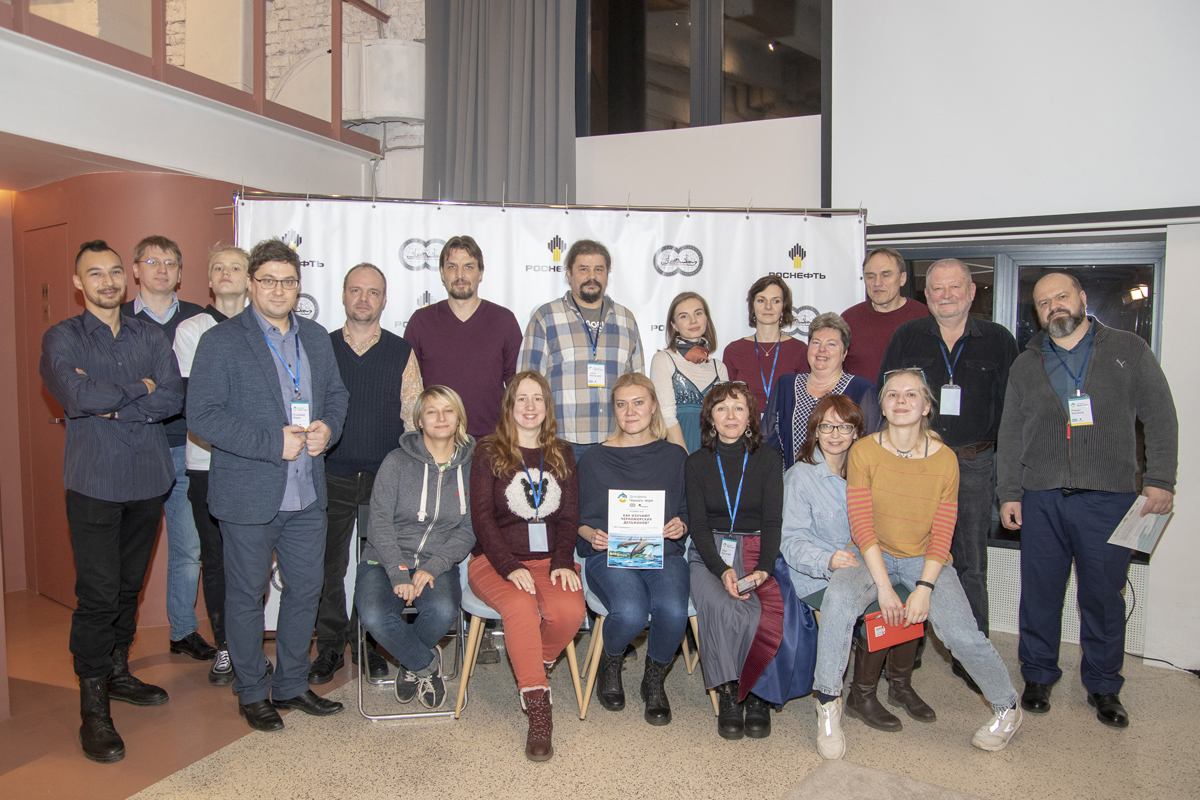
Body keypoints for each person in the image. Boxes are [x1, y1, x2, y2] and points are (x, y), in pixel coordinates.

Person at [997, 272, 1178, 729]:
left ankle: (1103, 684)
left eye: (1061, 297)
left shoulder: (1128, 349)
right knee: (1039, 593)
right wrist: (1009, 493)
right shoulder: (1027, 363)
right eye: (1043, 303)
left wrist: (1159, 479)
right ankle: (1038, 675)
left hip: (1107, 498)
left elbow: (1160, 416)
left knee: (1102, 597)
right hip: (1041, 497)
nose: (1053, 306)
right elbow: (1010, 434)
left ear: (1081, 298)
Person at [811, 369, 1021, 759]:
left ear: (926, 406)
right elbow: (862, 525)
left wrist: (923, 589)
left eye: (911, 394)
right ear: (883, 407)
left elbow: (943, 530)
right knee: (838, 601)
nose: (901, 400)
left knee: (961, 634)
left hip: (925, 559)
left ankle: (1007, 707)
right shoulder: (864, 451)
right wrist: (884, 588)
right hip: (871, 553)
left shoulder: (945, 460)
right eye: (893, 394)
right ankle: (827, 703)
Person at [187, 238, 349, 732]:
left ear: (299, 286)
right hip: (249, 494)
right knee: (246, 596)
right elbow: (202, 416)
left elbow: (337, 395)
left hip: (307, 494)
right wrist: (270, 442)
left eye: (288, 281)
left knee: (306, 591)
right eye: (268, 280)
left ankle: (292, 683)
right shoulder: (221, 341)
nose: (279, 290)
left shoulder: (316, 337)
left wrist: (327, 428)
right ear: (251, 284)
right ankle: (253, 690)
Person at [40, 240, 184, 763]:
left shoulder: (151, 335)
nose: (108, 281)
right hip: (94, 484)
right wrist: (140, 387)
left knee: (128, 587)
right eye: (95, 273)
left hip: (147, 480)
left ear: (127, 279)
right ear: (79, 283)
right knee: (98, 595)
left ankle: (119, 671)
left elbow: (172, 396)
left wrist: (118, 400)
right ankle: (94, 704)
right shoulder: (63, 337)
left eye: (115, 272)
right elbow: (79, 397)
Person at [878, 258, 1019, 683]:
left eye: (954, 287)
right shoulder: (907, 336)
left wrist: (1010, 483)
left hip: (974, 464)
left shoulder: (998, 340)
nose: (945, 295)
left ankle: (972, 653)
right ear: (926, 294)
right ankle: (907, 650)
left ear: (972, 291)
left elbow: (1012, 414)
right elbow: (889, 398)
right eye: (936, 288)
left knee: (971, 561)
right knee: (910, 555)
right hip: (916, 465)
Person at [780, 394, 934, 734]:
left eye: (844, 427)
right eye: (827, 427)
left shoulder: (868, 470)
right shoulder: (800, 477)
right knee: (883, 608)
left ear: (857, 433)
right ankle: (860, 697)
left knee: (911, 598)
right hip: (818, 576)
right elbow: (790, 542)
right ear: (815, 431)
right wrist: (828, 560)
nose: (835, 435)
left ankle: (899, 685)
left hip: (869, 565)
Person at [310, 263, 422, 685]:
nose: (363, 299)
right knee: (328, 567)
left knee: (377, 566)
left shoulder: (400, 351)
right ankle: (330, 646)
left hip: (384, 481)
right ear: (343, 296)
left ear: (384, 300)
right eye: (355, 290)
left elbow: (413, 419)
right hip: (330, 475)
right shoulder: (319, 347)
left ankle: (369, 642)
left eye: (372, 292)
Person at [686, 382, 817, 741]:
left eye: (738, 408)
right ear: (710, 418)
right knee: (723, 605)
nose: (730, 416)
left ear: (750, 417)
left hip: (759, 548)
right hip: (711, 553)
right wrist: (722, 570)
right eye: (721, 409)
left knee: (762, 610)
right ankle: (730, 692)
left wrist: (765, 568)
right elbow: (698, 527)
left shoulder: (769, 459)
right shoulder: (695, 463)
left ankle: (758, 692)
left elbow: (773, 521)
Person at [468, 371, 586, 761]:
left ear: (547, 406)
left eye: (537, 398)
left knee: (570, 611)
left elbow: (569, 517)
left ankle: (534, 661)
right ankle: (538, 710)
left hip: (549, 559)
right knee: (520, 605)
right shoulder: (488, 451)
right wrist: (507, 565)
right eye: (522, 398)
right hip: (494, 559)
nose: (530, 406)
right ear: (510, 406)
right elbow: (482, 519)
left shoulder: (562, 452)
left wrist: (563, 560)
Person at [577, 373, 690, 725]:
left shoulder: (674, 456)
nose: (630, 412)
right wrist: (592, 534)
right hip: (608, 553)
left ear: (654, 406)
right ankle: (610, 661)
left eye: (638, 403)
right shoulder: (594, 458)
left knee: (674, 611)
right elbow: (577, 519)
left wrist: (681, 525)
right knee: (630, 611)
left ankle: (653, 680)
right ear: (614, 409)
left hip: (662, 552)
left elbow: (687, 511)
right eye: (622, 404)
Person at [121, 235, 214, 662]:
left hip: (185, 449)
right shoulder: (117, 319)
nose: (162, 269)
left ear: (179, 273)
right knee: (128, 552)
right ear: (135, 269)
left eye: (170, 263)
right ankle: (117, 644)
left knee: (188, 548)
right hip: (133, 452)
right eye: (152, 261)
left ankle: (182, 630)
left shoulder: (199, 319)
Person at [355, 386, 476, 710]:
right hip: (383, 559)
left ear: (459, 418)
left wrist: (432, 567)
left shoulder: (472, 468)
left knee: (443, 611)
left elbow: (468, 531)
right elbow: (379, 523)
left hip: (438, 562)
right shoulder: (396, 462)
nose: (440, 417)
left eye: (448, 410)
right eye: (431, 411)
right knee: (375, 616)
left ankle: (411, 664)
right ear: (419, 420)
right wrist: (398, 572)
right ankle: (426, 665)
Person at [172, 245, 250, 685]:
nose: (226, 273)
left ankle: (247, 646)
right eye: (218, 267)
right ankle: (225, 647)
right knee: (215, 558)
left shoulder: (264, 325)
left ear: (249, 279)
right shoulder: (192, 330)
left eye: (235, 267)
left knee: (250, 560)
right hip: (205, 463)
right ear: (208, 279)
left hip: (256, 464)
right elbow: (198, 405)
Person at [519, 239, 645, 462]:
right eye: (583, 269)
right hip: (562, 442)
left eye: (599, 269)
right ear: (569, 273)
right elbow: (526, 382)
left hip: (616, 440)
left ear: (607, 274)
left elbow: (640, 382)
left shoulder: (626, 319)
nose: (592, 276)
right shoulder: (546, 317)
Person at [405, 235, 523, 438]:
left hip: (492, 442)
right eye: (452, 267)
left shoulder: (504, 321)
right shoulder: (421, 322)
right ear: (442, 273)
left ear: (481, 273)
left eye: (468, 267)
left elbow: (518, 387)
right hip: (436, 440)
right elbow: (408, 390)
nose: (460, 275)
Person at [763, 312, 881, 469]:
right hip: (793, 481)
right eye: (816, 342)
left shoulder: (862, 389)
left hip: (843, 482)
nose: (822, 350)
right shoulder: (786, 385)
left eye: (831, 344)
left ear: (844, 353)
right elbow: (766, 443)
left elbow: (871, 449)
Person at [649, 291, 729, 453]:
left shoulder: (719, 367)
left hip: (712, 451)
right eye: (684, 316)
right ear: (674, 325)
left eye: (698, 313)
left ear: (706, 318)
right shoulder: (663, 359)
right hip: (677, 448)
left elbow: (725, 415)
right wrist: (686, 459)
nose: (693, 320)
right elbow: (666, 415)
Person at [721, 276, 809, 415]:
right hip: (745, 426)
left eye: (775, 301)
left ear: (784, 306)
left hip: (785, 426)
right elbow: (727, 401)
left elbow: (804, 400)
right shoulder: (734, 350)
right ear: (753, 305)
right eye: (761, 300)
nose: (768, 306)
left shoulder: (800, 349)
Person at [841, 247, 930, 382]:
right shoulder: (849, 319)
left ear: (902, 278)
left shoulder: (925, 317)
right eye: (871, 276)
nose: (877, 283)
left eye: (886, 275)